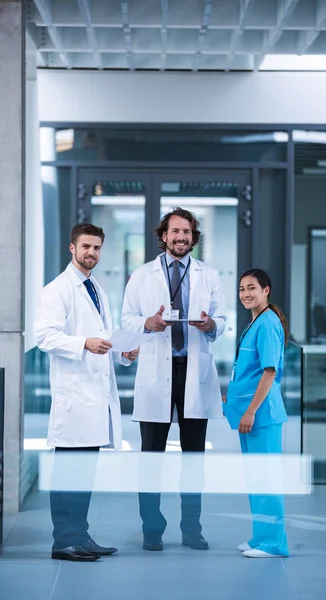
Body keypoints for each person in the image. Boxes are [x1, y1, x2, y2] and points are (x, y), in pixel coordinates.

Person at [121, 207, 226, 551]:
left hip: (193, 372)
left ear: (194, 238)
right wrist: (146, 324)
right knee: (151, 456)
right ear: (163, 236)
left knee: (193, 457)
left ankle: (191, 529)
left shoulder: (208, 275)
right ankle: (152, 529)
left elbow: (221, 318)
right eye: (175, 231)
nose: (181, 237)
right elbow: (128, 318)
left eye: (187, 232)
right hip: (155, 372)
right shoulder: (141, 275)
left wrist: (211, 325)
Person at [34, 223, 138, 562]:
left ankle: (80, 535)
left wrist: (122, 352)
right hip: (75, 398)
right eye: (86, 247)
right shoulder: (58, 290)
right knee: (69, 473)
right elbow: (44, 337)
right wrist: (84, 344)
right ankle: (64, 541)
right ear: (72, 248)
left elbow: (102, 336)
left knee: (83, 473)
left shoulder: (96, 289)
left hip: (94, 397)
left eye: (96, 248)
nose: (91, 253)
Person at [223, 268, 289, 559]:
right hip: (250, 415)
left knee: (267, 479)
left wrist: (250, 411)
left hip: (262, 416)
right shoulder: (255, 323)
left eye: (252, 288)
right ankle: (261, 538)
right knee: (255, 478)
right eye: (241, 289)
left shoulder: (268, 323)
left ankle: (274, 544)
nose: (246, 294)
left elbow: (269, 373)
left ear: (266, 290)